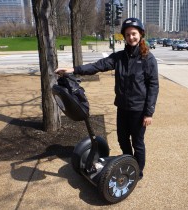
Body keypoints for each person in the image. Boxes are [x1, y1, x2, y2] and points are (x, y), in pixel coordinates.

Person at [55, 18, 159, 179]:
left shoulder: (148, 59)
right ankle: (129, 162)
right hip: (123, 107)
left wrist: (149, 112)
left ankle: (137, 171)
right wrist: (73, 69)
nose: (131, 37)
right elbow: (98, 65)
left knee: (137, 143)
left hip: (139, 110)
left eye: (134, 34)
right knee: (122, 139)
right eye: (128, 34)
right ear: (124, 37)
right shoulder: (119, 57)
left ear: (140, 35)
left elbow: (153, 86)